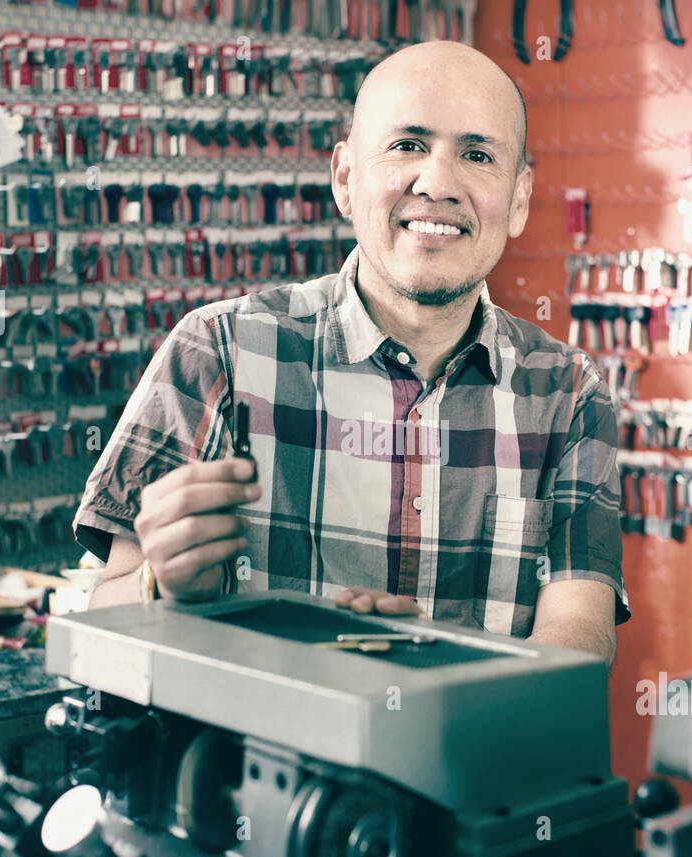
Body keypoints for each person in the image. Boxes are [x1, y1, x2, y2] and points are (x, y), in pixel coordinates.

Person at [73, 41, 629, 664]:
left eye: (477, 155)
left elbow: (582, 635)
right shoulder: (219, 352)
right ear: (344, 178)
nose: (438, 182)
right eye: (407, 146)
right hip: (246, 758)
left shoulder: (569, 393)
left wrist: (437, 664)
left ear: (520, 197)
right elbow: (102, 621)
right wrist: (163, 588)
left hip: (467, 755)